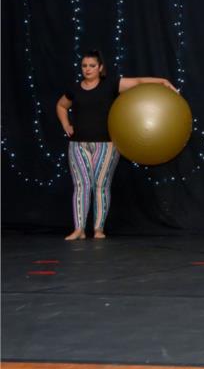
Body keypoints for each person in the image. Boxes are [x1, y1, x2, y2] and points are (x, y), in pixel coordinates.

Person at [56, 50, 177, 240]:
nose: (87, 69)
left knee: (100, 185)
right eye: (84, 66)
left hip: (107, 145)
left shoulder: (111, 84)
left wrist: (162, 81)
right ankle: (79, 229)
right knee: (81, 185)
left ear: (100, 68)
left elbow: (138, 82)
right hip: (78, 145)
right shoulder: (75, 89)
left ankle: (98, 229)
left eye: (92, 66)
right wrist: (66, 124)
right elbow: (61, 105)